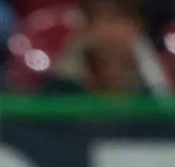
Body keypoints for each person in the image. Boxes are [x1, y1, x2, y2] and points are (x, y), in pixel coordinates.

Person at [43, 0, 171, 95]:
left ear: (138, 27)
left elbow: (166, 118)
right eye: (99, 19)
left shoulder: (153, 82)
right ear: (84, 28)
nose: (109, 32)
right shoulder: (61, 85)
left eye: (119, 19)